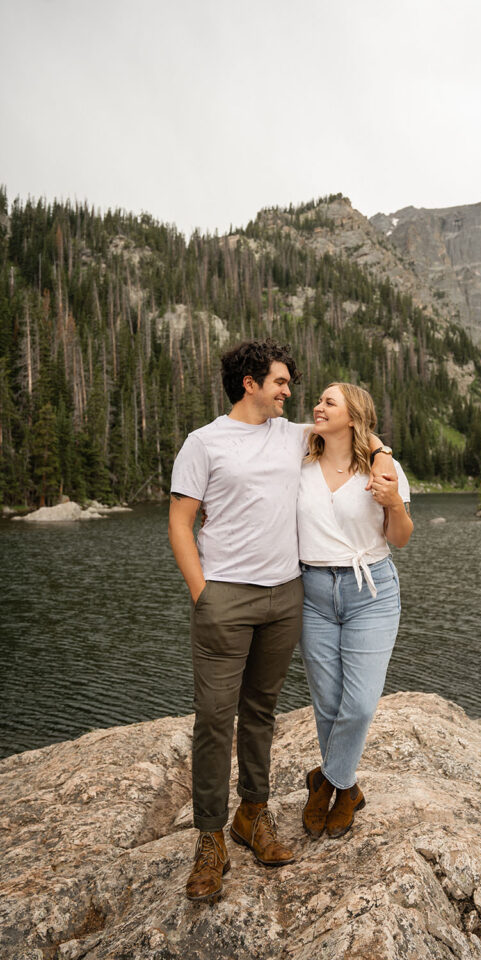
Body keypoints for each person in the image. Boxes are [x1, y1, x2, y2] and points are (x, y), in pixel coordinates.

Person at [168, 341, 394, 901]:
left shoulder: (295, 436)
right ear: (250, 383)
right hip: (225, 598)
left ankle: (254, 815)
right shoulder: (203, 444)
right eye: (280, 383)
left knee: (261, 712)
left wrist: (384, 454)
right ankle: (209, 840)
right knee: (215, 719)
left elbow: (355, 432)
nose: (289, 392)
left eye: (291, 384)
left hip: (286, 598)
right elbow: (180, 523)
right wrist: (203, 594)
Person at [297, 383, 413, 840]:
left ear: (352, 416)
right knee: (328, 704)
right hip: (312, 592)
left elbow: (400, 537)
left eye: (329, 402)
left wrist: (394, 503)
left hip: (372, 592)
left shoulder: (386, 471)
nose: (317, 407)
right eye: (319, 401)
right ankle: (347, 790)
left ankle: (328, 781)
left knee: (360, 703)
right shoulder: (299, 464)